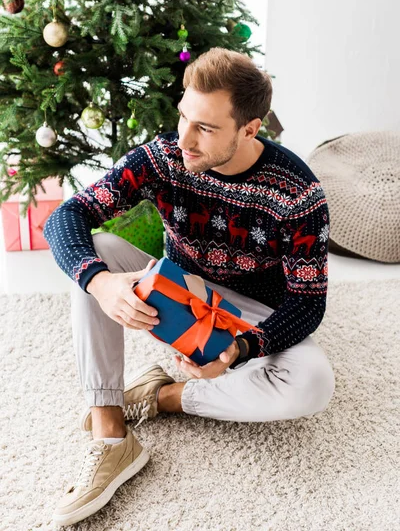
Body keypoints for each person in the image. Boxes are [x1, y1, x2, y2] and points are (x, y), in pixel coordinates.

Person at [44, 47, 335, 527]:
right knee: (94, 248)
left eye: (205, 127)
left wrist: (239, 351)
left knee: (314, 382)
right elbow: (67, 215)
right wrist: (100, 283)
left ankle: (162, 396)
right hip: (178, 291)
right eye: (183, 116)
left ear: (249, 129)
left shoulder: (298, 195)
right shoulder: (164, 157)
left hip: (249, 315)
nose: (185, 138)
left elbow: (307, 303)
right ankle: (112, 433)